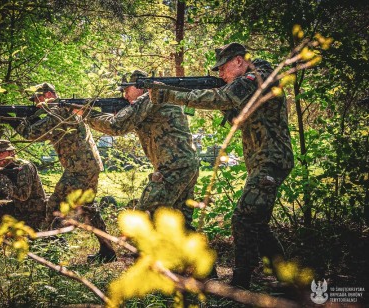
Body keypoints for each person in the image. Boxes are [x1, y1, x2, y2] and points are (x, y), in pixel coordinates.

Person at [149, 43, 294, 289]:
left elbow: (224, 97)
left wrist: (171, 94)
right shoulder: (251, 83)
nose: (220, 74)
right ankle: (288, 278)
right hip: (263, 161)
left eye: (223, 68)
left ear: (239, 61)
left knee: (243, 219)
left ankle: (240, 283)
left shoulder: (258, 75)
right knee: (256, 223)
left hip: (271, 160)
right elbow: (236, 113)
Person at [85, 70, 200, 230]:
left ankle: (143, 254)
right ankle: (191, 254)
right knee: (181, 224)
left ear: (141, 86)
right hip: (186, 164)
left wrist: (87, 115)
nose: (125, 95)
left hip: (173, 168)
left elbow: (116, 126)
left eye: (127, 89)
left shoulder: (149, 97)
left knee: (141, 219)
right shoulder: (158, 98)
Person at [15, 83, 116, 262]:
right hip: (84, 166)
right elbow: (44, 132)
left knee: (55, 205)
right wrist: (31, 118)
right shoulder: (62, 110)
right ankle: (108, 251)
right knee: (87, 209)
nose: (36, 103)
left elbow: (32, 134)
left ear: (48, 94)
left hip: (80, 169)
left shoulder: (58, 111)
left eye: (38, 98)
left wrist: (15, 121)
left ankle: (51, 248)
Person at [0, 139, 47, 230]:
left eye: (1, 153)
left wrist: (3, 179)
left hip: (32, 211)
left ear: (11, 153)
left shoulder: (24, 167)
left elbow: (23, 196)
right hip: (16, 208)